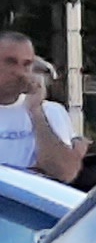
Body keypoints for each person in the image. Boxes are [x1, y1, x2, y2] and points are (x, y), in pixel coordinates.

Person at [0, 31, 86, 186]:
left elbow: (65, 172)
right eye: (10, 62)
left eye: (27, 64)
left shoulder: (51, 112)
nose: (20, 72)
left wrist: (36, 112)